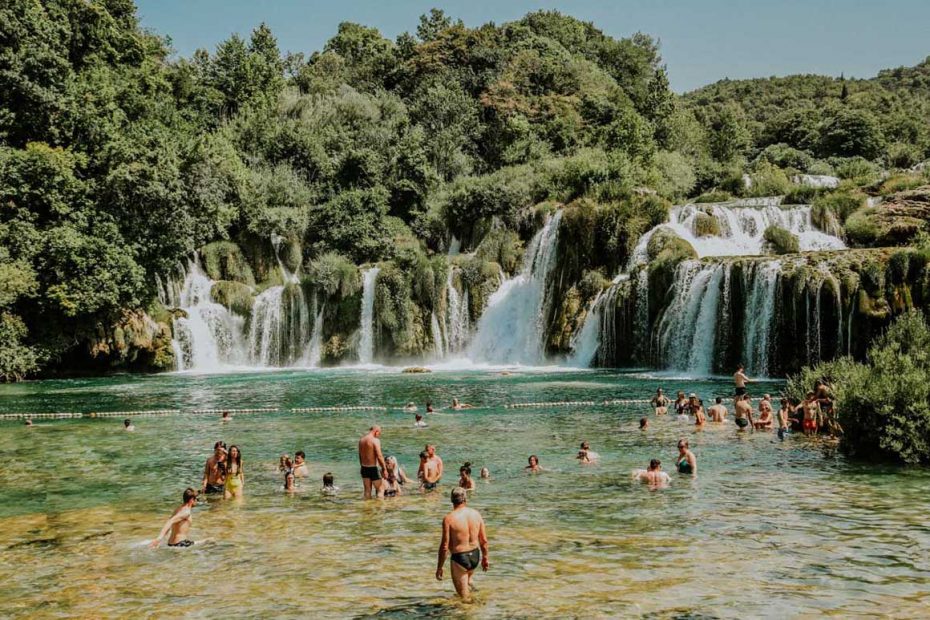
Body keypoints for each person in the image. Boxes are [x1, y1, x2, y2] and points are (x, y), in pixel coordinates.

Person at [436, 487, 489, 601]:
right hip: (475, 555)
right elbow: (484, 540)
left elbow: (445, 546)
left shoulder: (449, 519)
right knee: (468, 581)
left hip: (460, 558)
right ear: (465, 499)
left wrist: (439, 567)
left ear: (451, 500)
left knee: (464, 600)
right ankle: (478, 598)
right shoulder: (476, 514)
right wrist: (485, 558)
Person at [358, 426, 388, 500]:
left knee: (367, 491)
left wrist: (361, 466)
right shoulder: (375, 440)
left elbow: (360, 455)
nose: (379, 435)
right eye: (379, 433)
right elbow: (379, 456)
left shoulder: (361, 440)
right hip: (373, 468)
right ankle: (380, 509)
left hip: (364, 467)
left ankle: (367, 509)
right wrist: (384, 469)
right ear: (376, 431)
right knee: (381, 489)